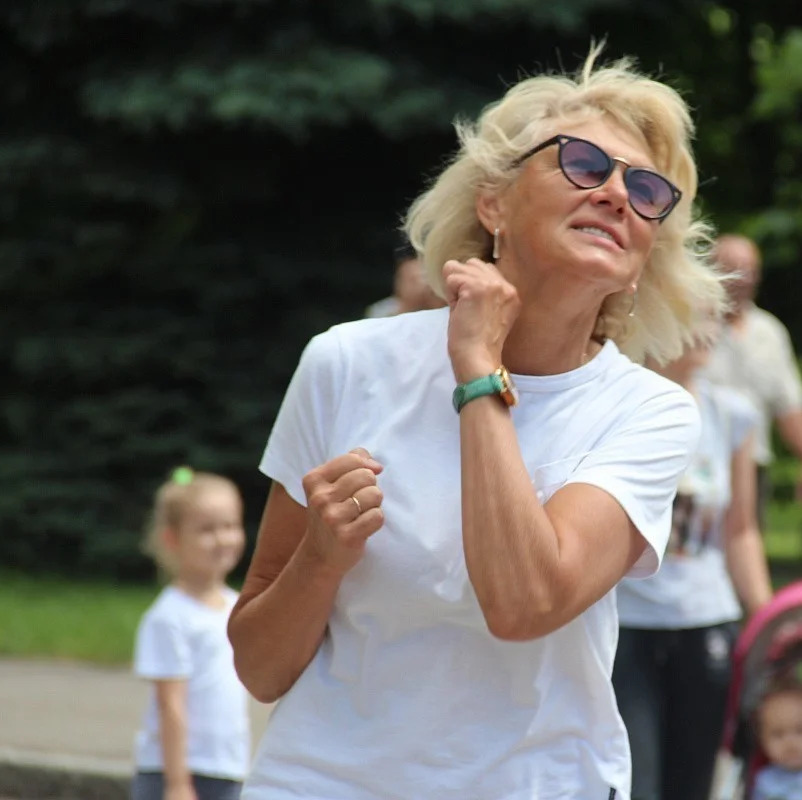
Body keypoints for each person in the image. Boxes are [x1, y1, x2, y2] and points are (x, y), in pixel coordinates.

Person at [227, 44, 727, 800]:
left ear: (643, 252)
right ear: (493, 203)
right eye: (584, 164)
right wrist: (319, 562)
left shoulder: (649, 413)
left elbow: (524, 604)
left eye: (646, 188)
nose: (616, 194)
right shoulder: (346, 362)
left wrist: (477, 371)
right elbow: (260, 669)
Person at [612, 314, 774, 800]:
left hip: (706, 621)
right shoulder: (612, 403)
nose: (709, 329)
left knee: (694, 785)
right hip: (625, 624)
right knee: (634, 783)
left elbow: (740, 529)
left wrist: (768, 622)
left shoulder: (732, 414)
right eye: (692, 313)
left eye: (713, 316)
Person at [131, 467, 250, 800]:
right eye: (207, 529)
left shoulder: (237, 605)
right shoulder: (169, 617)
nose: (223, 539)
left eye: (230, 526)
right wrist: (177, 784)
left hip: (227, 767)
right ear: (173, 539)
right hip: (177, 774)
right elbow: (170, 705)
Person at [701, 234, 802, 526]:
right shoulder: (689, 327)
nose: (743, 278)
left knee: (746, 540)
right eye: (733, 268)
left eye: (750, 270)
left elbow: (790, 405)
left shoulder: (770, 333)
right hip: (694, 465)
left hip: (750, 467)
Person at [364, 244, 446, 318]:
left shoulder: (438, 307)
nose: (420, 284)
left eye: (423, 278)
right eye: (412, 280)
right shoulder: (383, 311)